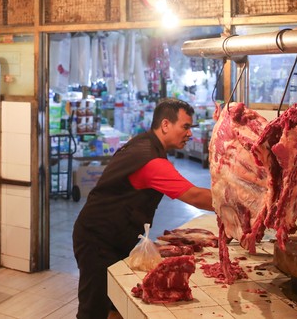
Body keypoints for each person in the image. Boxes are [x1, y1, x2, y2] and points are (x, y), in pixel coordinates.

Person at [72, 98, 213, 319]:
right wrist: (241, 205)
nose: (189, 134)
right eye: (185, 127)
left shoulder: (144, 143)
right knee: (94, 309)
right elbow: (195, 195)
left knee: (116, 305)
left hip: (112, 237)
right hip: (97, 240)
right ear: (166, 124)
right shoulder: (150, 160)